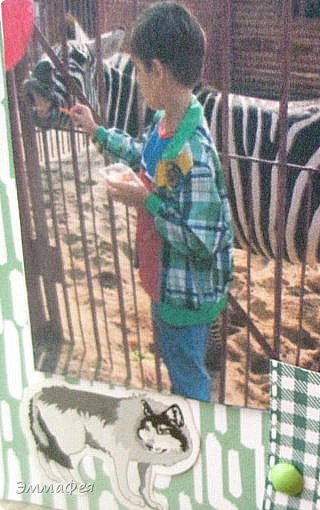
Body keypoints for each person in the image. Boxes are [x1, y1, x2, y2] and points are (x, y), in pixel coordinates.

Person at [70, 1, 233, 402]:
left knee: (188, 381)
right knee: (178, 361)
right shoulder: (168, 124)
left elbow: (203, 240)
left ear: (157, 70)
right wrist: (97, 132)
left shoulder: (192, 152)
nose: (137, 80)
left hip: (185, 297)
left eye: (139, 70)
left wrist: (148, 203)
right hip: (165, 284)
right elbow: (142, 153)